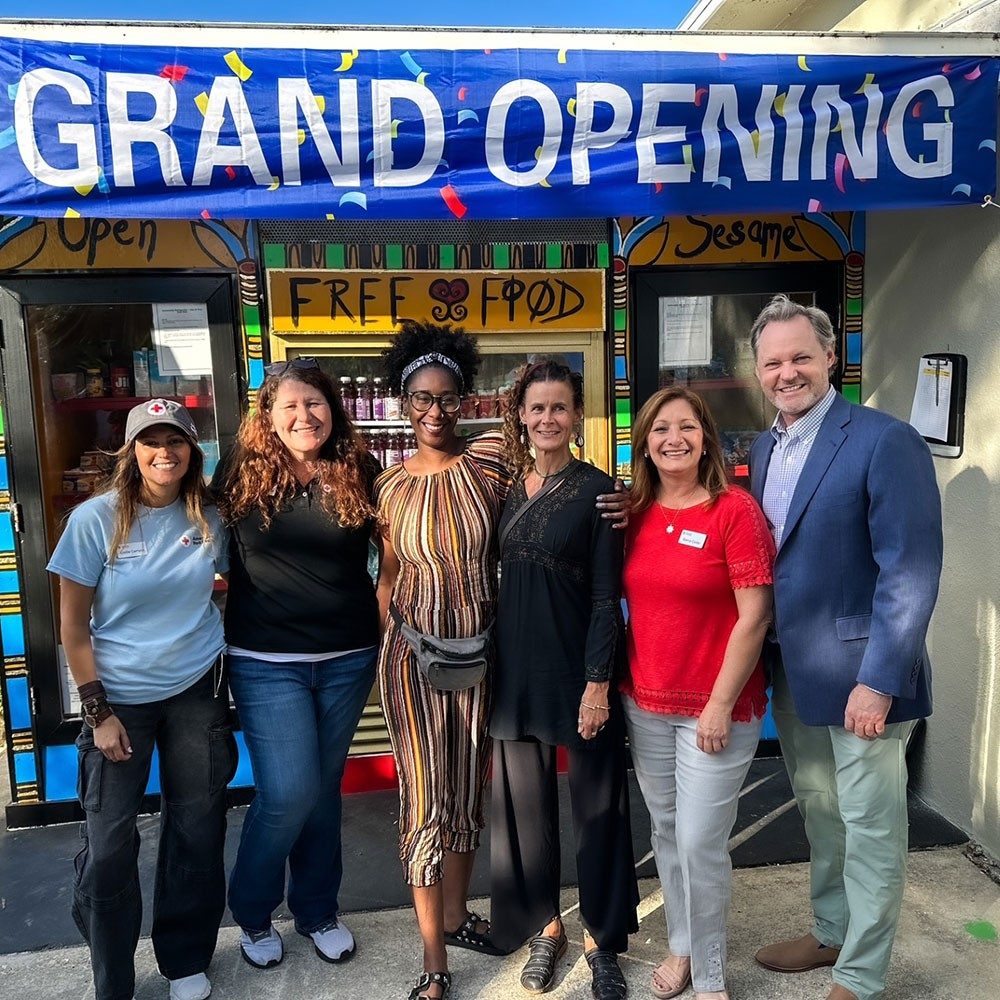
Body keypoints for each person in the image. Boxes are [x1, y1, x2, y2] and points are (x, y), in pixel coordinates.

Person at [747, 295, 943, 1000]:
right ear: (758, 370)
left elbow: (911, 569)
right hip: (796, 672)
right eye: (773, 361)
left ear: (832, 357)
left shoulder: (886, 440)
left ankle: (861, 975)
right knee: (820, 811)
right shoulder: (765, 448)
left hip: (866, 679)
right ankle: (830, 931)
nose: (787, 372)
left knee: (869, 824)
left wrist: (880, 680)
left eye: (801, 356)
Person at [48, 398, 234, 1000]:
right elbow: (72, 629)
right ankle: (114, 976)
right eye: (151, 442)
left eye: (175, 440)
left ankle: (184, 960)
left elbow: (227, 587)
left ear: (191, 451)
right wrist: (98, 713)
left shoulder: (209, 516)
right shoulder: (94, 519)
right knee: (109, 842)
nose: (165, 452)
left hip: (194, 692)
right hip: (117, 702)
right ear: (131, 453)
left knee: (197, 826)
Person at [213, 358, 380, 971]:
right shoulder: (238, 473)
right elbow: (194, 532)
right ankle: (253, 912)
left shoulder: (356, 468)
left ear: (332, 409)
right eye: (291, 406)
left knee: (322, 790)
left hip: (348, 656)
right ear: (269, 416)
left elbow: (391, 550)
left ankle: (317, 910)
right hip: (266, 659)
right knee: (288, 791)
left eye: (315, 403)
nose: (305, 416)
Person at [490, 360, 639, 1000]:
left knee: (599, 812)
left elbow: (608, 599)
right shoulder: (501, 490)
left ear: (576, 416)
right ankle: (545, 927)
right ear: (520, 416)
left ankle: (602, 938)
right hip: (513, 672)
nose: (547, 419)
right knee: (523, 814)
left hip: (580, 672)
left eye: (559, 408)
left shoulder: (600, 492)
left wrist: (598, 682)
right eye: (536, 408)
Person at [621, 387, 775, 1000]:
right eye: (661, 429)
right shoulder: (632, 510)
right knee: (665, 829)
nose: (673, 439)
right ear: (646, 441)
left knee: (699, 842)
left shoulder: (733, 511)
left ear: (705, 436)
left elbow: (755, 615)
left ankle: (709, 973)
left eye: (686, 426)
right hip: (646, 702)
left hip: (718, 709)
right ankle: (681, 946)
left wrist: (715, 703)